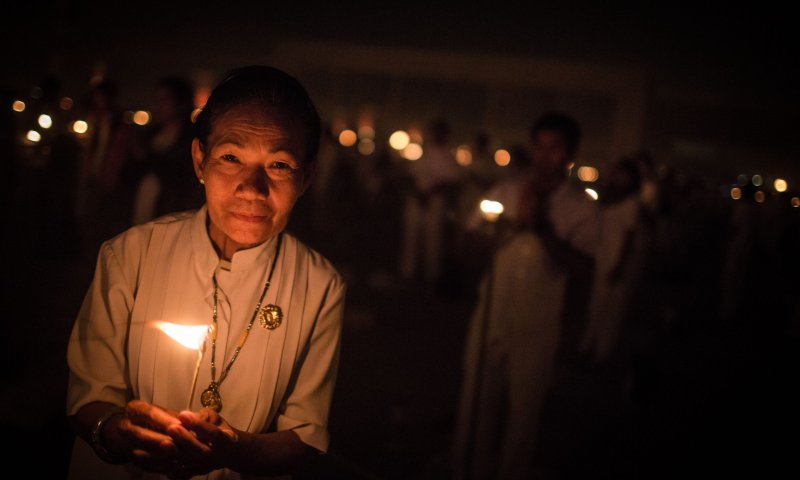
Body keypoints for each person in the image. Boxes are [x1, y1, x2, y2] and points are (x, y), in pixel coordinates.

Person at [66, 65, 346, 480]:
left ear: (306, 176)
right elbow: (88, 397)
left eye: (280, 165)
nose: (251, 187)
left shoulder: (320, 286)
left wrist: (234, 450)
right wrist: (121, 432)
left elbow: (304, 437)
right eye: (231, 157)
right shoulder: (131, 255)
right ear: (200, 159)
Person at [453, 112, 599, 480]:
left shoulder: (581, 208)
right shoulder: (503, 192)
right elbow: (470, 246)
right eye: (540, 147)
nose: (545, 156)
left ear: (570, 155)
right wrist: (498, 232)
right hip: (492, 315)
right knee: (475, 407)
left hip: (538, 325)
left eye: (555, 148)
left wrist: (542, 229)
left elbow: (583, 268)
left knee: (523, 417)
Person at [131, 76, 204, 224]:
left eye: (164, 100)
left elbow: (183, 181)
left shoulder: (192, 141)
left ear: (181, 103)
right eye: (156, 100)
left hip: (172, 217)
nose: (158, 106)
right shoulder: (148, 137)